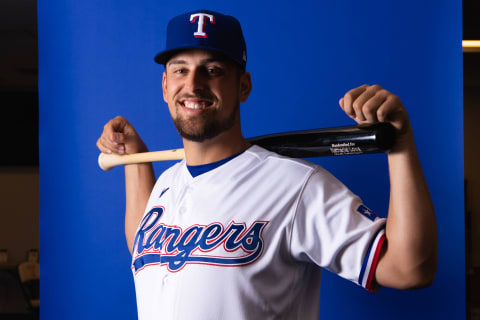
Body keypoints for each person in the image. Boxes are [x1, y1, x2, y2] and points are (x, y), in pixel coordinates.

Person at [96, 9, 437, 320]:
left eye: (212, 70)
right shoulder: (167, 183)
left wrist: (401, 147)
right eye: (180, 69)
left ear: (242, 86)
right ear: (165, 86)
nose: (193, 84)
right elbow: (142, 246)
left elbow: (409, 268)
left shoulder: (295, 185)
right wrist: (134, 160)